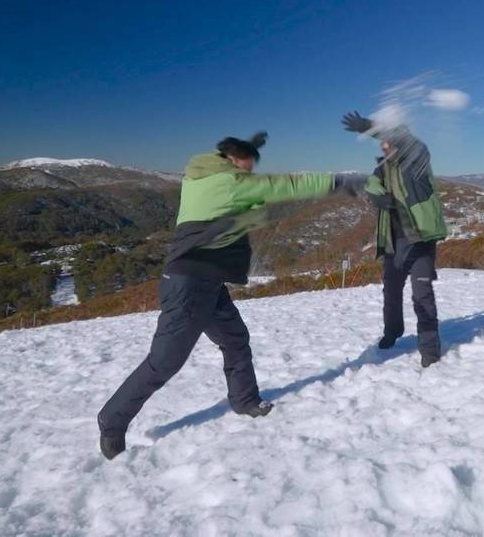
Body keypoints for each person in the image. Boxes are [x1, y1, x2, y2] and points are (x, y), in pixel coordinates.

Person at [97, 132, 365, 460]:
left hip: (208, 282)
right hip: (189, 284)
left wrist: (242, 147)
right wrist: (339, 182)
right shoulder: (231, 185)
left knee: (236, 339)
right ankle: (111, 420)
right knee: (164, 362)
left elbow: (231, 172)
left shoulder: (200, 176)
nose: (252, 169)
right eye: (249, 161)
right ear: (235, 160)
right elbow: (287, 185)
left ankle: (245, 400)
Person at [341, 112, 448, 367]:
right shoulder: (384, 167)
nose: (382, 144)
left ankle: (430, 349)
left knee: (422, 293)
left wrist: (368, 127)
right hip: (394, 240)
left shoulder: (417, 158)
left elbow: (408, 142)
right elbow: (372, 183)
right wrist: (378, 196)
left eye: (387, 140)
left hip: (420, 237)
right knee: (391, 290)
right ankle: (392, 331)